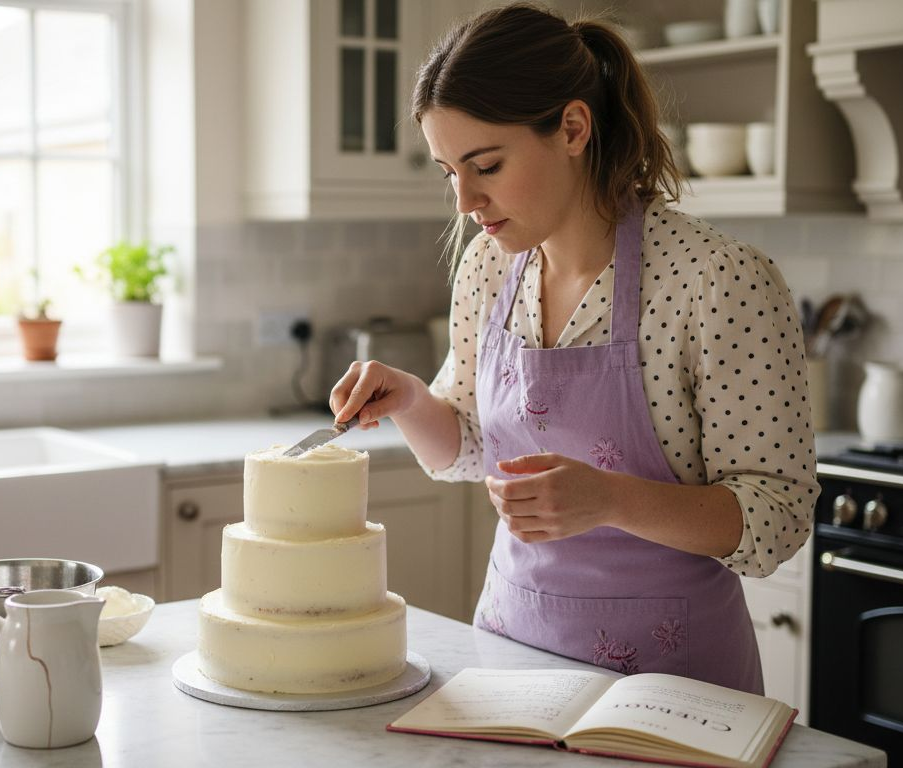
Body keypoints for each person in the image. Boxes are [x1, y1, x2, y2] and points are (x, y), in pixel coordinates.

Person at [329, 2, 818, 695]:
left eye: (486, 165)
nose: (465, 200)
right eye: (448, 172)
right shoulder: (489, 267)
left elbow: (776, 518)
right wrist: (409, 398)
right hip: (512, 665)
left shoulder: (717, 281)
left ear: (573, 128)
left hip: (672, 690)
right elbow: (471, 446)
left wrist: (610, 499)